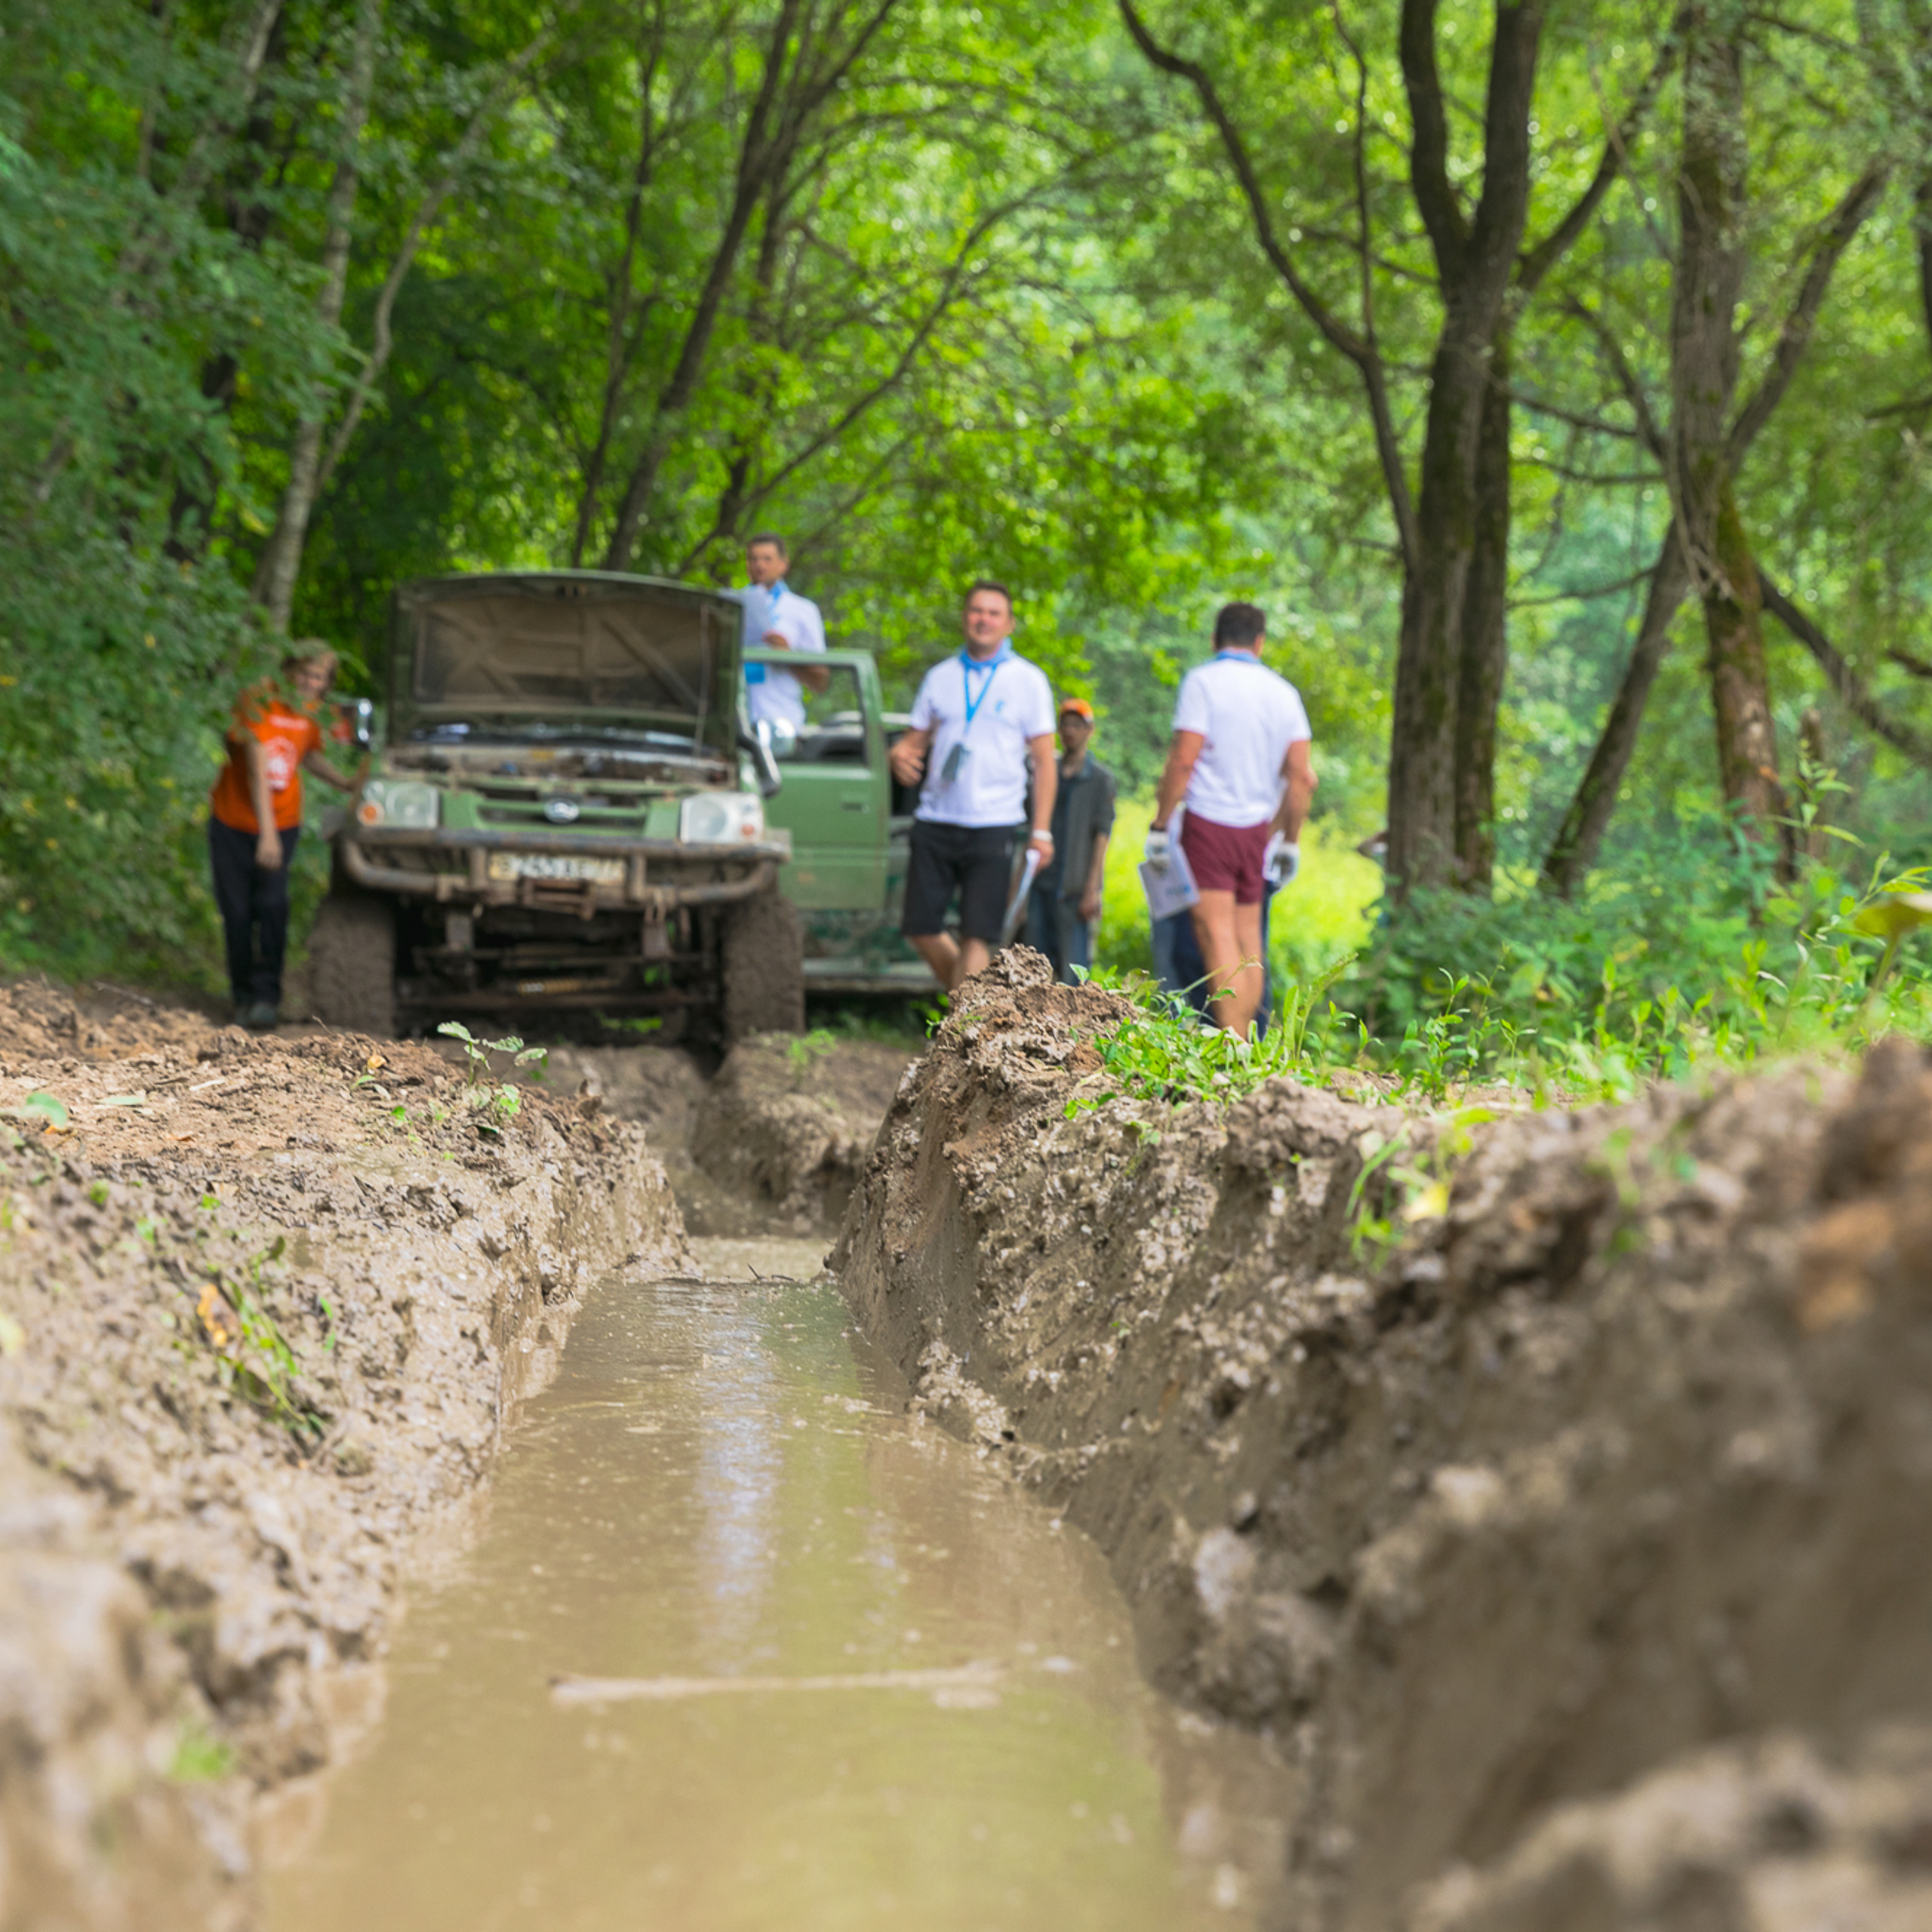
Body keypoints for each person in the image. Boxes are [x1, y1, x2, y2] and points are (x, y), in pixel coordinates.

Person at [1146, 602, 1315, 1036]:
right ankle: (1249, 1043)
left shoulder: (1203, 682)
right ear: (1260, 642)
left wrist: (1161, 825)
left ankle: (1235, 1041)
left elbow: (1183, 759)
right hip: (1257, 831)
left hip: (1209, 823)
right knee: (1249, 942)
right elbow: (1301, 777)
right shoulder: (1284, 693)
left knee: (1216, 934)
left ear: (1214, 639)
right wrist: (1291, 839)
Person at [888, 580, 1057, 992]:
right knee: (920, 927)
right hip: (936, 817)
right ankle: (972, 1009)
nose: (984, 620)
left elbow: (1044, 761)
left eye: (994, 613)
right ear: (965, 618)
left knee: (977, 934)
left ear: (1009, 624)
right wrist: (899, 755)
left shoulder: (1028, 680)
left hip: (994, 821)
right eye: (976, 611)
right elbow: (913, 741)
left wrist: (1041, 830)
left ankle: (961, 1030)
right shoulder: (940, 677)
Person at [208, 646, 361, 1029]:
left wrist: (345, 782)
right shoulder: (259, 700)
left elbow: (305, 756)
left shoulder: (310, 714)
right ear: (291, 670)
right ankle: (242, 996)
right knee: (238, 913)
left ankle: (266, 998)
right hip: (234, 822)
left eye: (319, 678)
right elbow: (259, 771)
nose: (311, 683)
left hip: (284, 821)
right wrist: (267, 837)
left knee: (273, 906)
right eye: (306, 674)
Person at [1026, 699, 1115, 983]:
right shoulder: (1044, 773)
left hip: (1074, 889)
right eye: (1065, 724)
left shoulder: (1100, 779)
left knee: (1073, 972)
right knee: (1033, 967)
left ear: (1090, 730)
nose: (1070, 731)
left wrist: (1093, 889)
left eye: (1078, 725)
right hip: (1041, 883)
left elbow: (1102, 835)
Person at [739, 532, 829, 735]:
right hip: (735, 721)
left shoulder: (802, 610)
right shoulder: (734, 606)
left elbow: (820, 681)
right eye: (753, 559)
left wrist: (787, 654)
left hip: (781, 723)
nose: (760, 566)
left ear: (783, 564)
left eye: (767, 559)